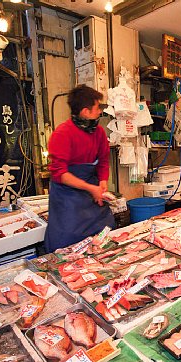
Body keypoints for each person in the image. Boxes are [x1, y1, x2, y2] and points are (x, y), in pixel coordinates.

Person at [44, 84, 115, 252]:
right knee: (67, 243)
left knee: (104, 236)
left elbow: (103, 161)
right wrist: (91, 188)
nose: (100, 112)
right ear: (85, 111)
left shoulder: (99, 133)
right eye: (97, 107)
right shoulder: (62, 134)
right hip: (67, 197)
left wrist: (102, 182)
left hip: (92, 193)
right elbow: (60, 174)